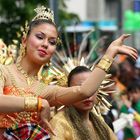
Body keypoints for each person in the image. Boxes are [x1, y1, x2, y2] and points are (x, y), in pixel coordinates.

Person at [0, 5, 138, 139]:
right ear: (24, 40)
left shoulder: (46, 90)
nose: (45, 44)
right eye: (40, 37)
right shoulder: (4, 71)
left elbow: (83, 91)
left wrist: (109, 54)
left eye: (52, 42)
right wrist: (38, 104)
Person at [50, 66, 117, 140]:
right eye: (81, 89)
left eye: (91, 88)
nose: (87, 95)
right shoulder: (59, 123)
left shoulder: (100, 122)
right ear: (69, 92)